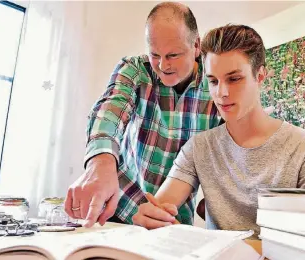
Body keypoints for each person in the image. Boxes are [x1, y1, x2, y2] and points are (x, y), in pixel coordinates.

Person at [132, 24, 305, 236]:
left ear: (260, 76)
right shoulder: (199, 148)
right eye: (213, 81)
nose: (221, 92)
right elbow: (160, 206)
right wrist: (151, 216)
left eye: (234, 79)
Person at [64, 2, 222, 228]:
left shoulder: (216, 85)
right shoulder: (135, 69)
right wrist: (100, 162)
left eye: (173, 55)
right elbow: (110, 111)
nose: (162, 65)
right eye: (154, 54)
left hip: (173, 219)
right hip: (120, 210)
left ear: (196, 45)